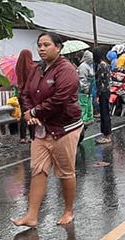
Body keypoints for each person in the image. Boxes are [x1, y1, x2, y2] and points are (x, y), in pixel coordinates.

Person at [13, 32, 84, 227]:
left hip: (64, 128)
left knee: (65, 172)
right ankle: (31, 216)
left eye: (46, 45)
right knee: (38, 170)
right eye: (39, 45)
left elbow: (60, 99)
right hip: (41, 128)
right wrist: (29, 112)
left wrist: (35, 111)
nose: (42, 49)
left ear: (58, 48)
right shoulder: (38, 69)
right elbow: (26, 92)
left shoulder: (67, 70)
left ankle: (68, 211)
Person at [15, 49, 39, 144]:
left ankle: (23, 137)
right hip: (31, 94)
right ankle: (32, 137)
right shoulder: (33, 67)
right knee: (31, 114)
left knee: (23, 115)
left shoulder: (18, 67)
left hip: (21, 94)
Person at [95, 51, 113, 144]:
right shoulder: (106, 64)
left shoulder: (101, 66)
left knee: (105, 113)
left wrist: (98, 93)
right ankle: (107, 134)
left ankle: (107, 136)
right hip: (106, 91)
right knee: (105, 113)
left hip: (103, 92)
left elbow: (100, 81)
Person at [77, 50, 95, 125]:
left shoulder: (89, 65)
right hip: (84, 88)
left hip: (89, 87)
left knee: (89, 103)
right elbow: (82, 79)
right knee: (83, 104)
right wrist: (85, 87)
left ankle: (89, 117)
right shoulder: (83, 66)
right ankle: (84, 119)